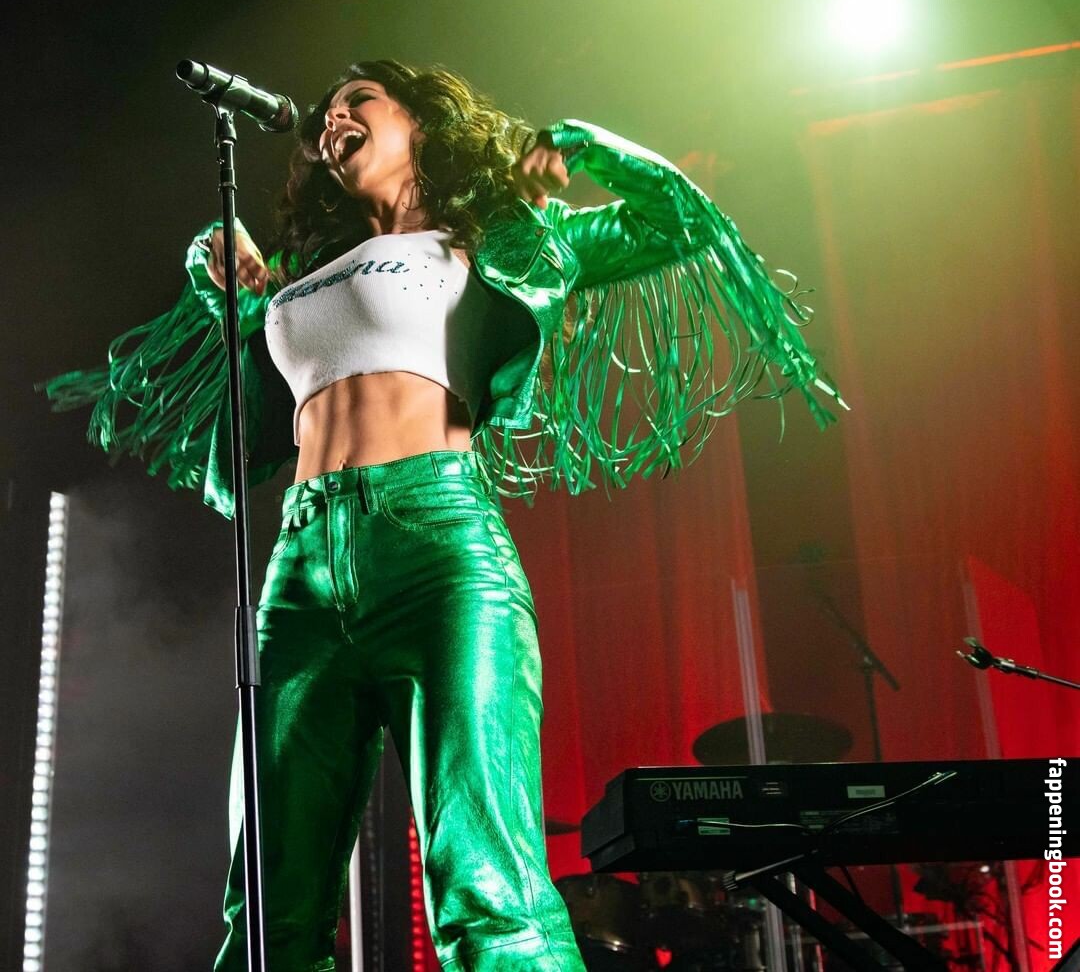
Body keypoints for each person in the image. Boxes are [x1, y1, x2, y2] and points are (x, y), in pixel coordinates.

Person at [46, 59, 841, 971]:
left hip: (436, 547)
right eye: (326, 112)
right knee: (266, 903)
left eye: (358, 101)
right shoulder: (302, 278)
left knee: (484, 886)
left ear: (420, 123)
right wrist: (229, 292)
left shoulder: (497, 243)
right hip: (300, 568)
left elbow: (678, 222)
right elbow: (252, 430)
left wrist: (587, 148)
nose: (332, 117)